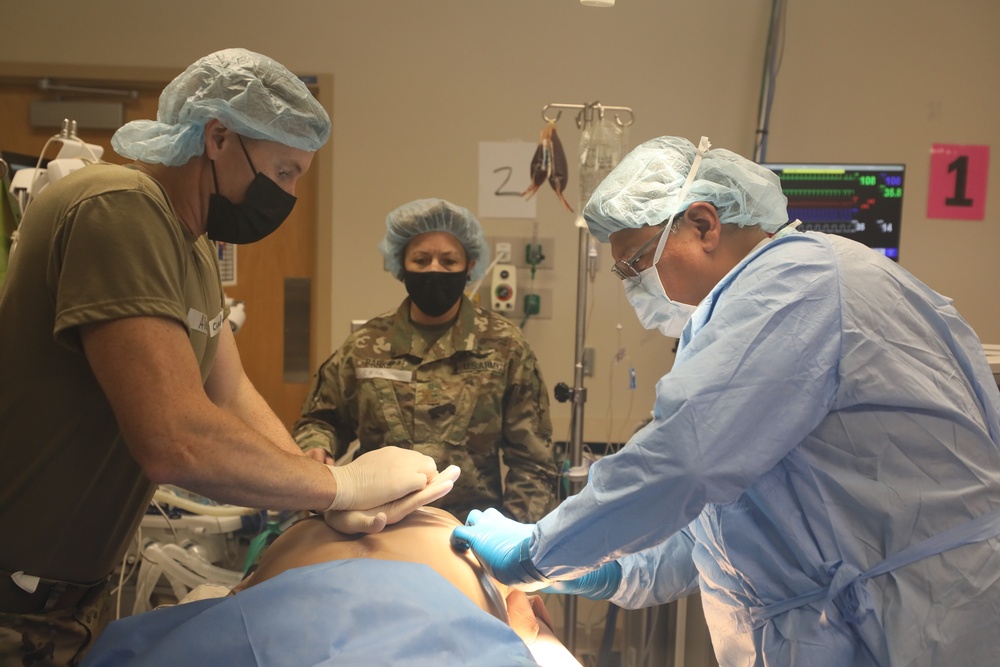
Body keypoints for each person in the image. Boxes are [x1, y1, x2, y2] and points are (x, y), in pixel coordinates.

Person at [452, 136, 1000, 666]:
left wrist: (539, 552)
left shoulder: (796, 286)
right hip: (864, 618)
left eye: (635, 263)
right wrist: (615, 571)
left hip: (920, 622)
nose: (633, 285)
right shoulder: (775, 296)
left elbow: (683, 464)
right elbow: (726, 524)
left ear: (704, 224)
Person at [0, 49, 449, 667]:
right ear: (217, 137)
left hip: (71, 599)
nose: (287, 194)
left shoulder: (193, 245)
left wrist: (322, 498)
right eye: (285, 171)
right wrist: (336, 483)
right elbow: (174, 438)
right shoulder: (117, 205)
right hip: (15, 605)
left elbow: (229, 392)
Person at [293, 198, 559, 523]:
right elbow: (321, 419)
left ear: (470, 264)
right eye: (421, 260)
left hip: (470, 534)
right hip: (377, 527)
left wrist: (512, 541)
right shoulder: (365, 346)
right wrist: (317, 448)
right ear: (401, 264)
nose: (435, 269)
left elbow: (533, 460)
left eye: (448, 261)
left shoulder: (504, 347)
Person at [80, 506, 581, 667]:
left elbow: (231, 602)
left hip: (284, 625)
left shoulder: (304, 529)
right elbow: (523, 622)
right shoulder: (464, 542)